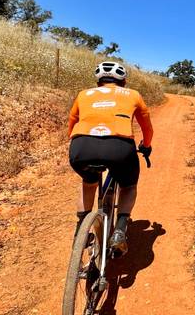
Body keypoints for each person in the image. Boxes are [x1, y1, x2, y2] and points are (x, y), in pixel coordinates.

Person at [67, 61, 153, 254]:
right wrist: (146, 146)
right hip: (119, 148)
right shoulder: (133, 94)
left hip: (81, 146)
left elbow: (71, 124)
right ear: (124, 81)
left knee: (88, 183)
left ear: (99, 81)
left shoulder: (84, 94)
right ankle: (120, 230)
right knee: (128, 186)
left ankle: (80, 228)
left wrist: (76, 144)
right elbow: (147, 127)